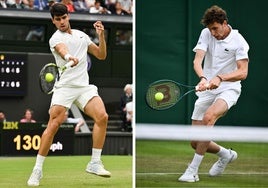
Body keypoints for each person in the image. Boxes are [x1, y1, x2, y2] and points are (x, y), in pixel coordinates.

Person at [27, 3, 111, 186]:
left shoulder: (82, 35)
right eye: (57, 20)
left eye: (63, 18)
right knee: (54, 124)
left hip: (83, 87)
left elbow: (101, 55)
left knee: (102, 117)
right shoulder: (55, 38)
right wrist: (68, 57)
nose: (61, 22)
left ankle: (95, 163)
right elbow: (62, 49)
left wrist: (101, 36)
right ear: (53, 21)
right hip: (64, 87)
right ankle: (37, 170)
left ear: (68, 16)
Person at [178, 5, 249, 183]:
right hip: (208, 87)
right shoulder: (206, 33)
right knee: (195, 141)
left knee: (209, 117)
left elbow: (243, 72)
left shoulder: (239, 41)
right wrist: (203, 78)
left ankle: (192, 171)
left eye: (216, 28)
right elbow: (197, 60)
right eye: (210, 29)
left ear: (225, 23)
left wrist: (220, 77)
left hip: (229, 89)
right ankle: (226, 155)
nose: (213, 33)